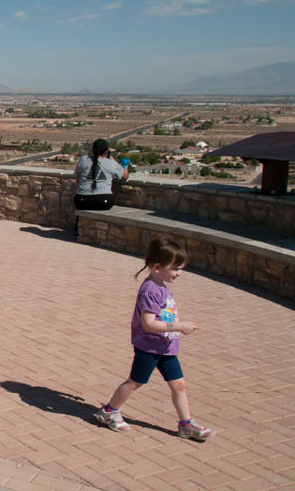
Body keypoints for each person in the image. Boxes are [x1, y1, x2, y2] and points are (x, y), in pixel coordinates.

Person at [94, 237, 214, 441]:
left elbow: (165, 313)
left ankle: (186, 424)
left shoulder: (161, 286)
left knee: (179, 385)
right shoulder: (150, 290)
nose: (179, 273)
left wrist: (175, 325)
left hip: (166, 349)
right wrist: (179, 326)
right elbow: (149, 324)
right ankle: (108, 411)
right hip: (149, 348)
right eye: (176, 268)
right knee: (135, 382)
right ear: (158, 267)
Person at [73, 138, 128, 210]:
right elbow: (125, 176)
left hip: (81, 200)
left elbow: (78, 179)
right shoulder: (111, 163)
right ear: (106, 151)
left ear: (93, 150)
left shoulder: (83, 160)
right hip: (103, 201)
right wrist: (112, 159)